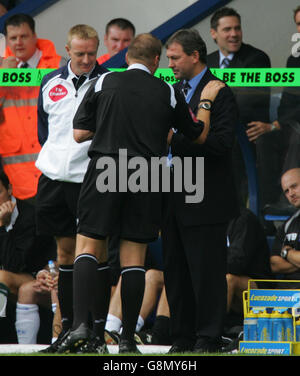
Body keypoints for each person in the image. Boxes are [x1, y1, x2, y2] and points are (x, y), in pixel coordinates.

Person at [56, 32, 225, 354]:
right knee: (134, 257)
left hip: (106, 166)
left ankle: (80, 326)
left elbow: (79, 134)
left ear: (127, 57)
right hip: (147, 173)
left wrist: (111, 122)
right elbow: (198, 134)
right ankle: (126, 339)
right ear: (156, 61)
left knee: (89, 247)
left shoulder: (103, 83)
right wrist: (205, 103)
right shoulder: (167, 90)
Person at [163, 28, 239, 354]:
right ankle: (182, 337)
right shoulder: (171, 90)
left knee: (206, 272)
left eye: (175, 57)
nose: (171, 64)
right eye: (168, 58)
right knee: (176, 272)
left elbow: (220, 145)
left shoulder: (220, 92)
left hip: (206, 199)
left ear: (195, 56)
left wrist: (173, 140)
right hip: (170, 195)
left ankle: (208, 337)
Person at [34, 24, 108, 353]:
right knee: (64, 256)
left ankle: (94, 331)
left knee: (93, 255)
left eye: (92, 53)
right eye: (80, 53)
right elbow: (43, 132)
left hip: (88, 181)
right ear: (67, 50)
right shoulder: (50, 82)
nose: (86, 59)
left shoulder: (107, 82)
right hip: (52, 180)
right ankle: (66, 331)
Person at [206, 7, 275, 214]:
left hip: (244, 136)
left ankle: (243, 224)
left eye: (237, 28)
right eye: (227, 29)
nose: (234, 34)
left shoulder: (256, 59)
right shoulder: (205, 62)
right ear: (213, 34)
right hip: (213, 135)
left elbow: (245, 104)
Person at [0, 13, 66, 202]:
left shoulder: (58, 65)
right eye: (13, 38)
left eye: (24, 36)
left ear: (35, 36)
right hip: (18, 177)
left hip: (56, 168)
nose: (18, 42)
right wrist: (4, 78)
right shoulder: (1, 69)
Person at [0, 169, 56, 340]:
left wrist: (3, 226)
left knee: (1, 277)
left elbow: (14, 264)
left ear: (9, 189)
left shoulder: (30, 216)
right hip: (19, 275)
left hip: (37, 276)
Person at [260, 6, 300, 216]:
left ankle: (292, 193)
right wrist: (278, 123)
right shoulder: (294, 60)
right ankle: (268, 202)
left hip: (297, 127)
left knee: (296, 135)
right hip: (293, 121)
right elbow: (286, 102)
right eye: (299, 24)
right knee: (265, 140)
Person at [270, 168, 300, 288]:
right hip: (285, 294)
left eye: (294, 186)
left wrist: (287, 253)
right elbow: (274, 264)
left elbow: (281, 257)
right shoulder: (289, 223)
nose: (291, 194)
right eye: (286, 191)